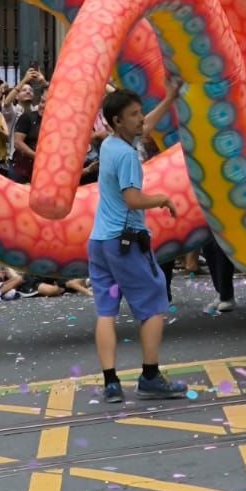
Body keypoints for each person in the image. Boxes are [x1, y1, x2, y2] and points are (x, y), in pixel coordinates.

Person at [89, 88, 189, 402]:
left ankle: (111, 383)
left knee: (106, 311)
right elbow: (132, 199)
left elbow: (145, 126)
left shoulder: (109, 143)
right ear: (117, 121)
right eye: (133, 114)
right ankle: (149, 375)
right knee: (155, 299)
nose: (141, 118)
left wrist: (170, 98)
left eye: (139, 111)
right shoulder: (127, 154)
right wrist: (162, 199)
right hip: (125, 241)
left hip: (99, 240)